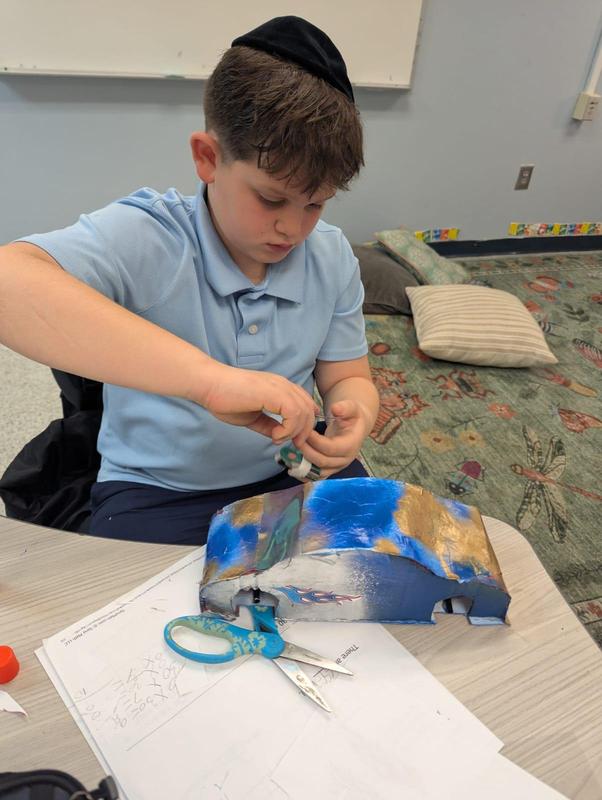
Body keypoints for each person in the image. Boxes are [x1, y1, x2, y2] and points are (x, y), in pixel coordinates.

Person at [0, 16, 379, 545]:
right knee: (143, 617)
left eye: (316, 203)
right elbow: (9, 283)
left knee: (377, 584)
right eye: (271, 199)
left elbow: (347, 376)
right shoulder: (149, 236)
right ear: (208, 158)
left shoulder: (330, 254)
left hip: (289, 474)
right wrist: (210, 381)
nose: (292, 227)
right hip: (156, 489)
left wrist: (354, 415)